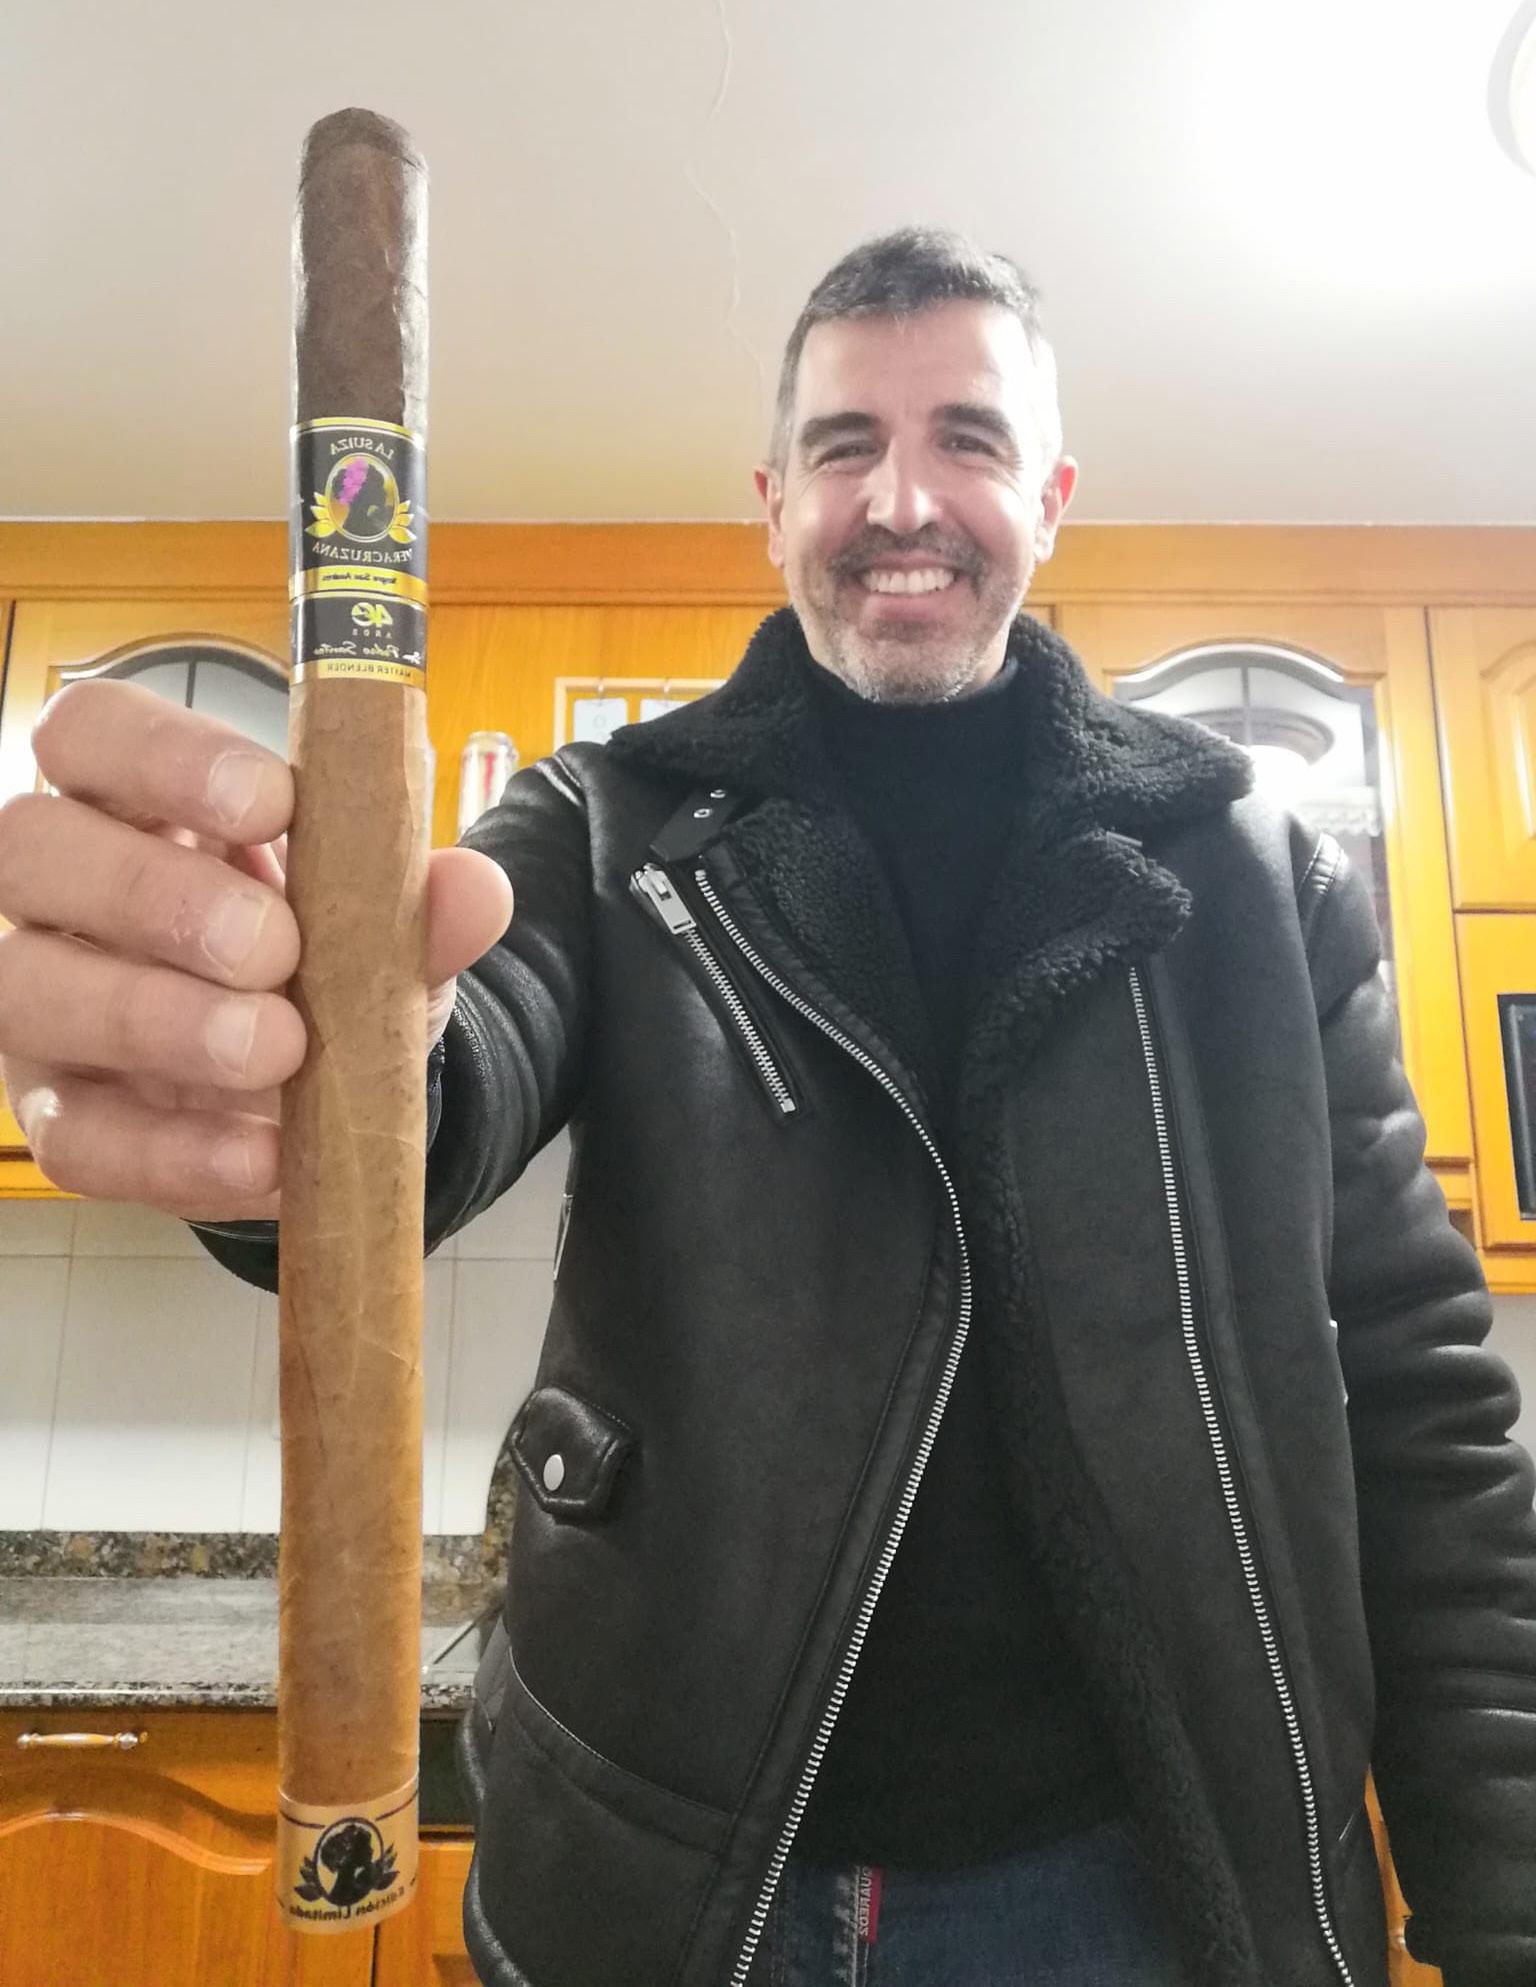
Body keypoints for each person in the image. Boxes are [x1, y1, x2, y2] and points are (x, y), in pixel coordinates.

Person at [1, 227, 1533, 1987]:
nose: (901, 499)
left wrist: (1509, 1900)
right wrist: (287, 1050)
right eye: (842, 445)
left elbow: (1419, 1399)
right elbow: (446, 1063)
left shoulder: (1257, 876)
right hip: (668, 1893)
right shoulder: (605, 822)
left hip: (1141, 1896)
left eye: (966, 438)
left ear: (1052, 498)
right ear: (772, 501)